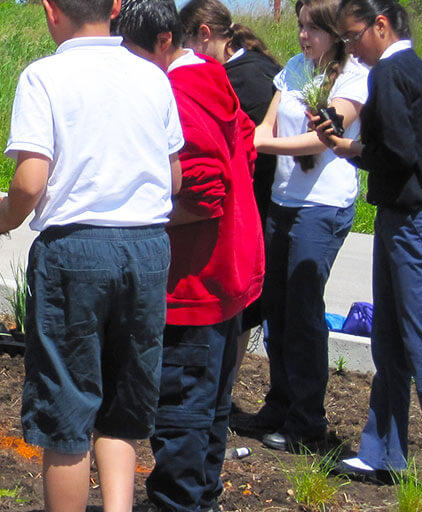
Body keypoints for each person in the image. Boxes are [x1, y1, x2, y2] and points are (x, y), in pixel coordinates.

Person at [0, 0, 184, 507]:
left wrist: (1, 217)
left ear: (51, 11)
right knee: (121, 406)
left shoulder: (44, 76)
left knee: (66, 409)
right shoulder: (152, 75)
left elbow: (30, 180)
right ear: (114, 7)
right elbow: (175, 177)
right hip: (147, 247)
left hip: (76, 251)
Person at [315, 0, 422, 481]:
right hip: (408, 218)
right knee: (389, 341)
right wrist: (346, 146)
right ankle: (382, 451)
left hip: (414, 223)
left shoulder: (388, 73)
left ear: (380, 25)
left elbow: (399, 153)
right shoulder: (414, 70)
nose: (351, 48)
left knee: (419, 344)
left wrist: (351, 148)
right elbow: (400, 148)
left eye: (351, 37)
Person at [114, 0, 263, 509]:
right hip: (228, 272)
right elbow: (245, 147)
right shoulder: (214, 78)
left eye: (135, 55)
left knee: (180, 411)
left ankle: (179, 502)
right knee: (211, 409)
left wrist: (136, 210)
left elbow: (203, 193)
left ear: (164, 42)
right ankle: (200, 498)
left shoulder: (176, 92)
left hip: (194, 280)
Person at [247, 0, 369, 455]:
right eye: (299, 27)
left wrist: (263, 143)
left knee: (302, 310)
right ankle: (279, 403)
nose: (303, 36)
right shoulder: (295, 69)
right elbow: (268, 122)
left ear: (336, 32)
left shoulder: (354, 75)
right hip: (283, 202)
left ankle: (307, 421)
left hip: (322, 208)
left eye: (313, 29)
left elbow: (326, 135)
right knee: (275, 307)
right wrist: (263, 137)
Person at [179, 0, 281, 390]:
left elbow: (244, 149)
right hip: (252, 204)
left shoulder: (240, 79)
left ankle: (222, 388)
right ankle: (222, 391)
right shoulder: (250, 69)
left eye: (187, 42)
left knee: (236, 311)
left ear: (204, 34)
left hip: (251, 203)